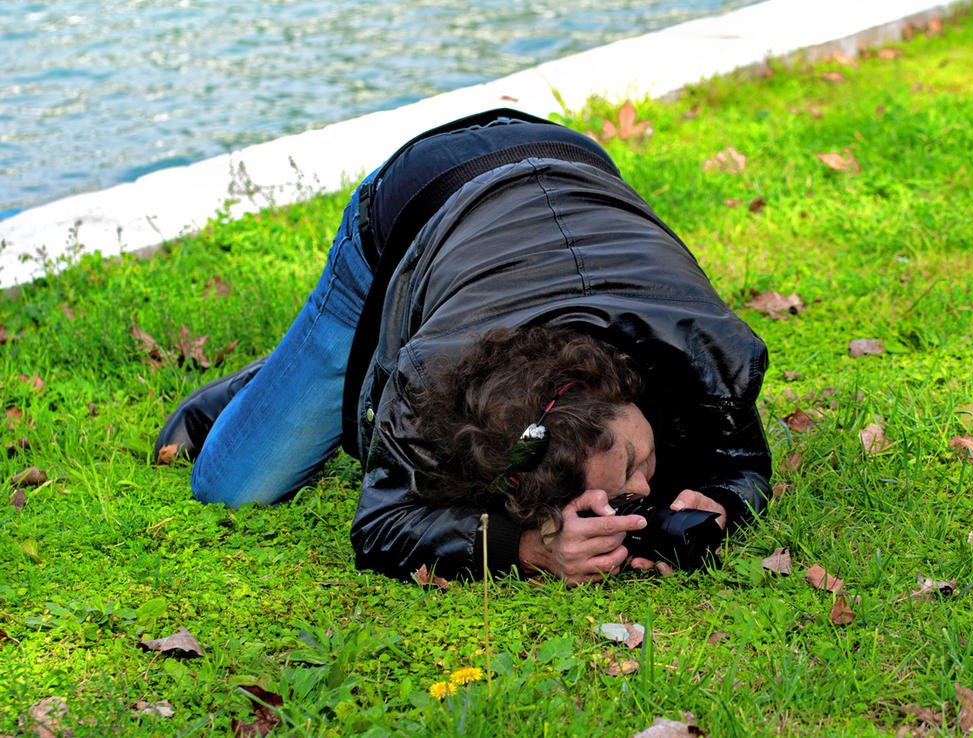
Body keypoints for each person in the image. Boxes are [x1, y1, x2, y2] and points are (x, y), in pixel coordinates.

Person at [156, 108, 771, 586]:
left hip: (569, 160)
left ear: (621, 384)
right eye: (634, 469)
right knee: (233, 486)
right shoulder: (433, 372)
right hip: (412, 204)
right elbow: (382, 522)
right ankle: (276, 381)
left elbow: (742, 461)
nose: (647, 484)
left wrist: (723, 501)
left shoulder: (710, 345)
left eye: (629, 478)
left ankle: (316, 381)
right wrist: (526, 548)